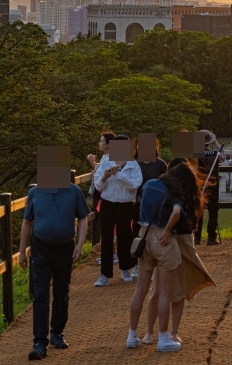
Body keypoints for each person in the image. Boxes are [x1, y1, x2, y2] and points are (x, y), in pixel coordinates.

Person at [18, 171, 92, 360]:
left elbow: (83, 217)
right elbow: (27, 222)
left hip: (64, 247)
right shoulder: (35, 193)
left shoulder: (74, 191)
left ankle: (57, 333)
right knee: (40, 294)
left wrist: (80, 244)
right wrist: (22, 252)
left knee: (62, 292)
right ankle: (39, 342)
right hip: (40, 247)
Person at [143, 158, 216, 345]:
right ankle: (172, 333)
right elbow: (193, 219)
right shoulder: (187, 195)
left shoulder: (171, 191)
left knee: (157, 291)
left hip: (165, 241)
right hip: (177, 241)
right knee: (176, 293)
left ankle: (149, 333)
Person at [127, 162, 184, 352]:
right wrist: (168, 229)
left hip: (143, 236)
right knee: (165, 292)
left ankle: (132, 335)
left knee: (140, 290)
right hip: (161, 238)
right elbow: (176, 212)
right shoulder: (175, 190)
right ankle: (163, 338)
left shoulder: (149, 184)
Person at [93, 135, 142, 286]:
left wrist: (118, 175)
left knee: (124, 236)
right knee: (106, 238)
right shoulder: (106, 161)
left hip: (125, 205)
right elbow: (97, 185)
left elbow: (135, 184)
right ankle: (105, 274)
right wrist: (105, 177)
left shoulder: (133, 165)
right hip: (108, 203)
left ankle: (125, 268)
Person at [196, 131, 226, 245]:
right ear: (210, 142)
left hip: (199, 185)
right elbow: (224, 157)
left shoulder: (195, 154)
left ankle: (197, 236)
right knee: (213, 211)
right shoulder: (215, 153)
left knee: (199, 210)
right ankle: (211, 237)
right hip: (213, 186)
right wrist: (216, 142)